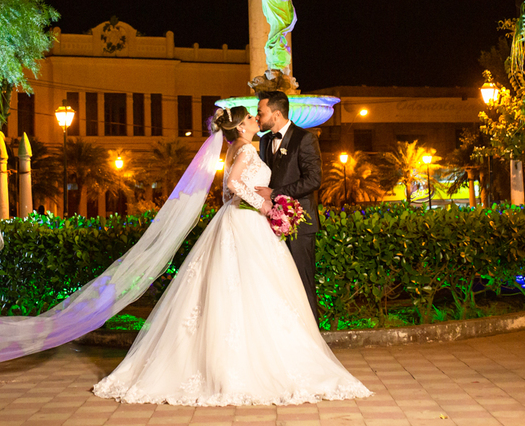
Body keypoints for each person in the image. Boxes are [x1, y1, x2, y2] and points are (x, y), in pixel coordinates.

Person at [92, 106, 371, 407]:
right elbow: (234, 185)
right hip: (247, 223)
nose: (256, 120)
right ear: (240, 127)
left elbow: (228, 195)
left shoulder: (235, 149)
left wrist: (255, 205)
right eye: (251, 118)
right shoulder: (248, 150)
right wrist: (263, 206)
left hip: (235, 219)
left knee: (236, 288)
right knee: (255, 287)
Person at [254, 90, 321, 322]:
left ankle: (314, 338)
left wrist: (276, 193)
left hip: (299, 223)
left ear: (277, 113)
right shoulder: (263, 141)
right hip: (270, 223)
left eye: (260, 113)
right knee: (279, 283)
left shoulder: (305, 138)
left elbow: (314, 180)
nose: (257, 117)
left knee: (302, 282)